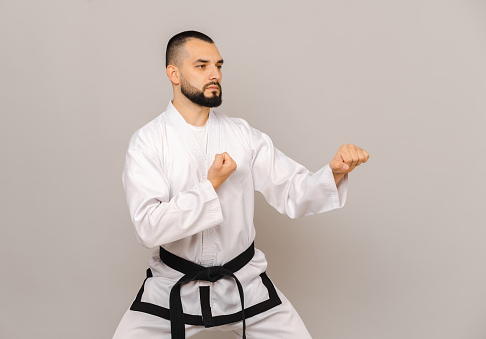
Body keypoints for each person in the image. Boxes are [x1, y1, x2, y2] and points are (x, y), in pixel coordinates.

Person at [113, 30, 369, 339]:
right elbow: (148, 227)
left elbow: (292, 190)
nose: (215, 74)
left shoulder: (243, 136)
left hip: (245, 286)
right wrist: (211, 186)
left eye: (218, 66)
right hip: (171, 289)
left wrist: (335, 171)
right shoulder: (148, 142)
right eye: (202, 65)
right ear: (174, 73)